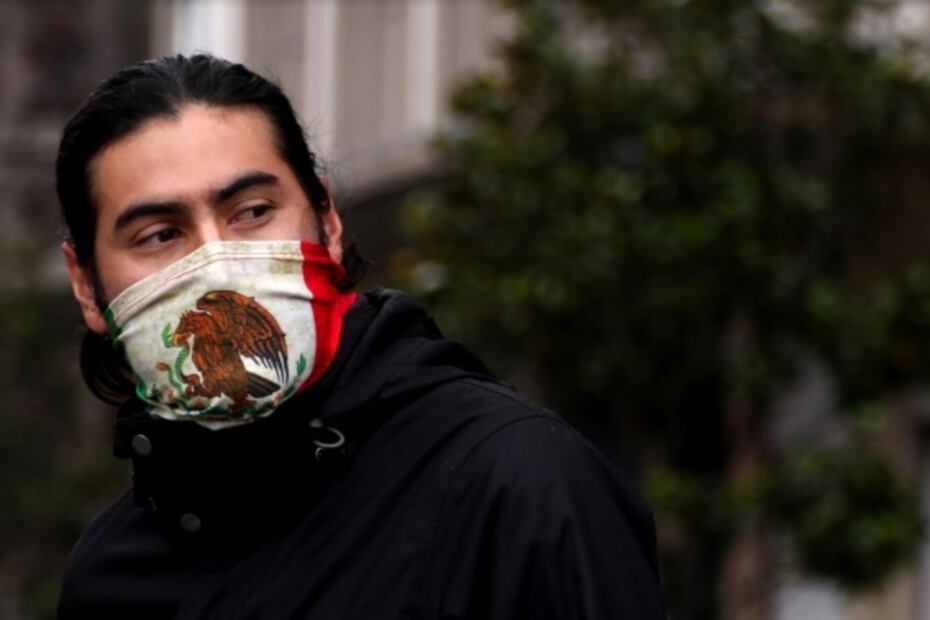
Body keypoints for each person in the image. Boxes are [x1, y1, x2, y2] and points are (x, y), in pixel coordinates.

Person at [56, 54, 664, 619]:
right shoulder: (109, 576)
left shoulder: (515, 485)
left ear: (327, 219)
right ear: (86, 285)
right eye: (161, 234)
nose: (217, 264)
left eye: (252, 211)